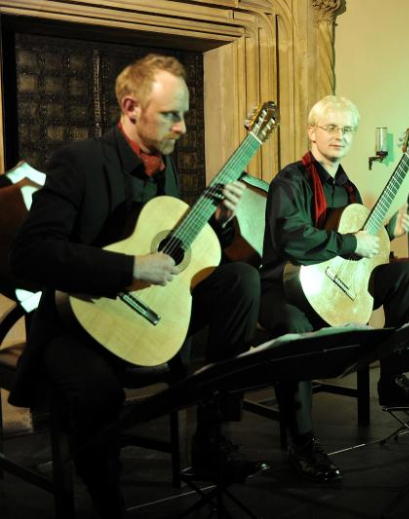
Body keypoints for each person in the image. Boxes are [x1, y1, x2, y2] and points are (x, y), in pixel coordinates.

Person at [9, 54, 262, 518]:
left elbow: (175, 246)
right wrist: (128, 268)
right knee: (99, 392)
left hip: (147, 313)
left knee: (240, 280)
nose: (182, 127)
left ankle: (212, 435)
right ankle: (108, 500)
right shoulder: (78, 161)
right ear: (130, 107)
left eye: (184, 115)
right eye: (170, 115)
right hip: (77, 323)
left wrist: (222, 221)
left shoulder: (164, 166)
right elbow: (30, 254)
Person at [260, 95, 409, 482]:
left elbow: (357, 250)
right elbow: (293, 239)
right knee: (294, 328)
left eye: (347, 129)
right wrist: (352, 242)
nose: (340, 135)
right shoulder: (290, 181)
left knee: (406, 275)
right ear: (312, 132)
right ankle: (302, 443)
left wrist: (387, 232)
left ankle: (393, 378)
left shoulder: (349, 189)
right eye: (331, 127)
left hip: (335, 288)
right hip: (285, 289)